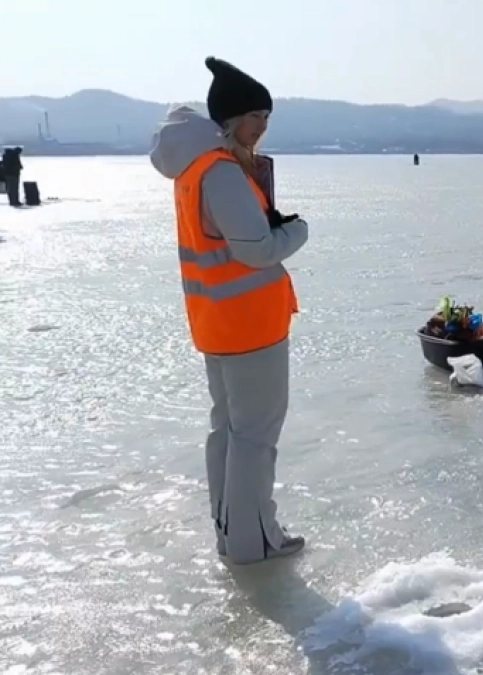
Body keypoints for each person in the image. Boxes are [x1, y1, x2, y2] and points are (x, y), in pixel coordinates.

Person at [149, 56, 310, 565]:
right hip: (250, 325)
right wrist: (298, 230)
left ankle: (231, 533)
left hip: (217, 324)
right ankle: (254, 542)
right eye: (255, 115)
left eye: (267, 116)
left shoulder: (195, 170)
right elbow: (257, 250)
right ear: (230, 120)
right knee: (254, 437)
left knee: (230, 431)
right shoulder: (220, 172)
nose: (262, 126)